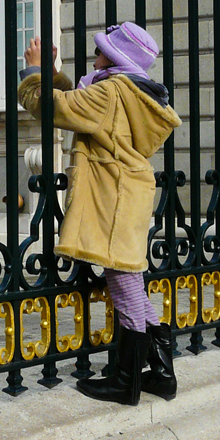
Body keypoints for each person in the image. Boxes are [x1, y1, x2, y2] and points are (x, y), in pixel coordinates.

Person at [17, 22, 182, 406]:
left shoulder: (110, 92)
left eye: (102, 49)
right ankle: (161, 373)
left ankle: (126, 382)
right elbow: (78, 103)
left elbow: (53, 107)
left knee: (124, 288)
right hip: (129, 195)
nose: (96, 54)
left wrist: (34, 73)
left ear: (116, 56)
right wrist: (55, 75)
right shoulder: (136, 94)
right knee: (132, 284)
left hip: (113, 199)